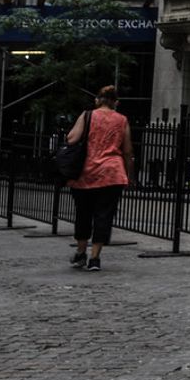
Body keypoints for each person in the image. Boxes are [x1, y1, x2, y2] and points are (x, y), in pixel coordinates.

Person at [67, 85, 134, 273]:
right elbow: (127, 150)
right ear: (116, 103)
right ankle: (95, 258)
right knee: (104, 215)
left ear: (97, 100)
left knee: (83, 213)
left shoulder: (87, 115)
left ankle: (81, 253)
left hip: (86, 172)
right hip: (112, 173)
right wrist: (130, 174)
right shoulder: (122, 120)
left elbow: (71, 139)